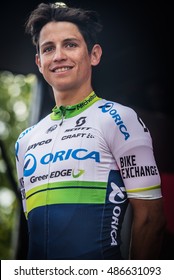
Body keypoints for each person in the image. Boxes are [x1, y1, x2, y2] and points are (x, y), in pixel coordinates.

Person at [15, 2, 165, 260]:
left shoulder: (119, 119)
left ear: (94, 55)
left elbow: (151, 218)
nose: (59, 55)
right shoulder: (25, 140)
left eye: (70, 45)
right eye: (49, 48)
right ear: (39, 62)